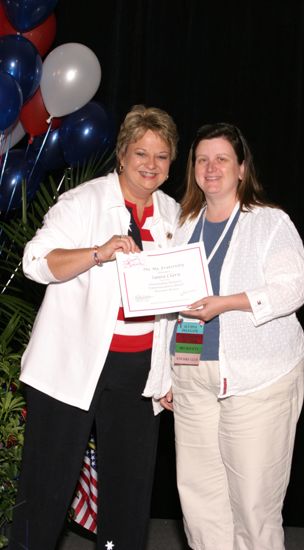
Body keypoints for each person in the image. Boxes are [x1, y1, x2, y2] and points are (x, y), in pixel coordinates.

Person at [9, 105, 181, 550]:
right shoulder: (83, 202)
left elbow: (183, 305)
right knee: (46, 488)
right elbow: (34, 263)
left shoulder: (176, 216)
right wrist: (98, 252)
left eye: (161, 156)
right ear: (121, 155)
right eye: (141, 152)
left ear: (171, 163)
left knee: (128, 493)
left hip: (139, 371)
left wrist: (173, 372)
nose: (150, 164)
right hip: (72, 366)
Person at [156, 122, 304, 550]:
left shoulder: (270, 223)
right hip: (193, 377)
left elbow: (293, 288)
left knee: (254, 507)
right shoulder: (184, 225)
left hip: (256, 378)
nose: (211, 167)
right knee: (200, 503)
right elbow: (175, 308)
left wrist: (228, 302)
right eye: (202, 159)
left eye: (222, 158)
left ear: (242, 168)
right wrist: (170, 373)